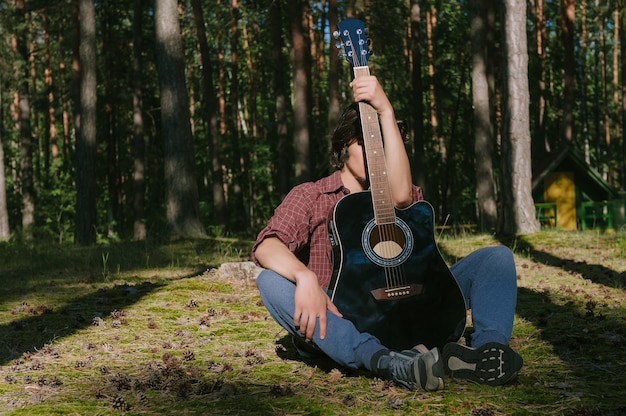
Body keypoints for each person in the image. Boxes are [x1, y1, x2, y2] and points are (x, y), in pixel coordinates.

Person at [251, 75, 523, 391]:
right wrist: (305, 278)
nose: (375, 152)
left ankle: (486, 352)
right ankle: (384, 361)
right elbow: (266, 246)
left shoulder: (403, 198)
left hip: (415, 304)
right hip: (346, 318)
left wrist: (386, 112)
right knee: (270, 281)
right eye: (365, 142)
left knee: (496, 258)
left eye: (381, 142)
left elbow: (402, 197)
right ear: (342, 146)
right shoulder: (312, 196)